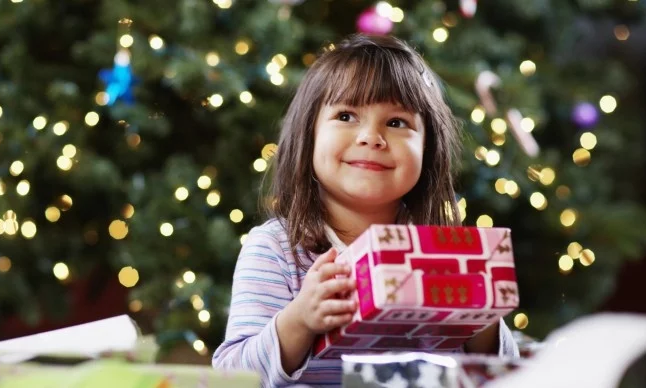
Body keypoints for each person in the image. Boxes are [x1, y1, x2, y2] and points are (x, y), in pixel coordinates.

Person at [212, 33, 519, 387]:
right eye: (346, 115)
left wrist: (481, 319)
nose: (371, 137)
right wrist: (299, 321)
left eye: (396, 122)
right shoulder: (276, 249)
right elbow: (232, 377)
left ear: (428, 149)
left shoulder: (441, 254)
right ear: (309, 135)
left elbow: (503, 376)